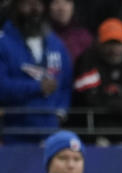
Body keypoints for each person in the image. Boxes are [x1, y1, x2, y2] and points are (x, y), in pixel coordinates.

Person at [0, 0, 73, 144]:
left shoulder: (55, 43)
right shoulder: (3, 43)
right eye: (28, 4)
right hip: (14, 133)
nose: (35, 10)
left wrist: (60, 112)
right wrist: (37, 87)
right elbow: (1, 86)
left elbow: (66, 83)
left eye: (39, 4)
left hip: (50, 133)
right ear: (15, 8)